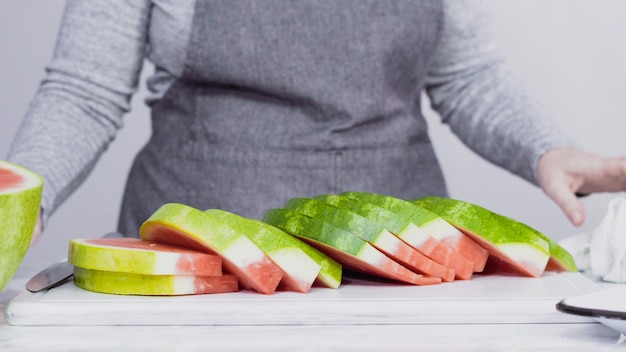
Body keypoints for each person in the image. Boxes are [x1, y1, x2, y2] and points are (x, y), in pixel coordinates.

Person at [6, 0, 626, 241]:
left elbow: (466, 76)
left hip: (398, 252)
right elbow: (85, 89)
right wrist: (26, 194)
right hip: (201, 256)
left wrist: (545, 149)